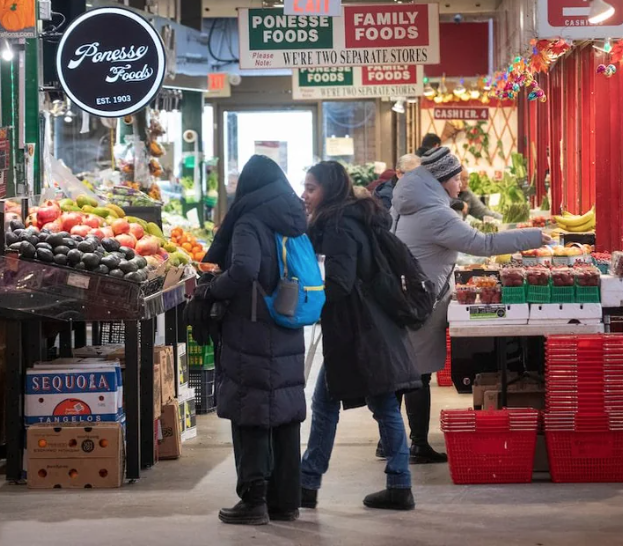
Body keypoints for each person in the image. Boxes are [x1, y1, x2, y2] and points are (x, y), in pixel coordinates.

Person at [391, 147, 548, 463]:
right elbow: (484, 245)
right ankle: (417, 444)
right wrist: (538, 237)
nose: (461, 186)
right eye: (457, 179)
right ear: (441, 180)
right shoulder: (435, 213)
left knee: (406, 369)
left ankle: (392, 440)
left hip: (408, 294)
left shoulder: (409, 205)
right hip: (421, 300)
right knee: (417, 373)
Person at [301, 161, 422, 511]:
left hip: (356, 330)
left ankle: (309, 482)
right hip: (371, 325)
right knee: (379, 402)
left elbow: (339, 283)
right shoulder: (355, 216)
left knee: (332, 403)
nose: (305, 195)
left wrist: (307, 295)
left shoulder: (337, 225)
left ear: (330, 189)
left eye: (311, 188)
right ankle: (398, 483)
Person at [201, 155, 307, 526]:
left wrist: (214, 288)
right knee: (283, 413)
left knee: (252, 412)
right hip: (287, 320)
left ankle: (254, 500)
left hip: (252, 326)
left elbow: (244, 269)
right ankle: (285, 502)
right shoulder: (292, 217)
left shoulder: (249, 219)